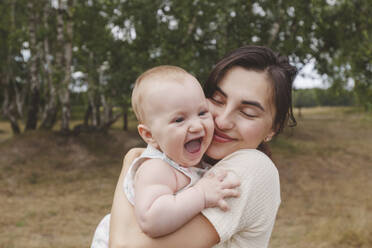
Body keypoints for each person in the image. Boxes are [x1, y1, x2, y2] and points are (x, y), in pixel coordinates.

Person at [108, 45, 298, 248]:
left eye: (248, 112)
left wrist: (130, 161)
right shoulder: (183, 165)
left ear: (273, 129)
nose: (223, 121)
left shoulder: (253, 168)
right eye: (217, 100)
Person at [91, 66, 240, 247]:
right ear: (149, 136)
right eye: (179, 120)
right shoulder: (156, 168)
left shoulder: (187, 160)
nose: (197, 126)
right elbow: (152, 220)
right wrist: (201, 195)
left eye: (202, 113)